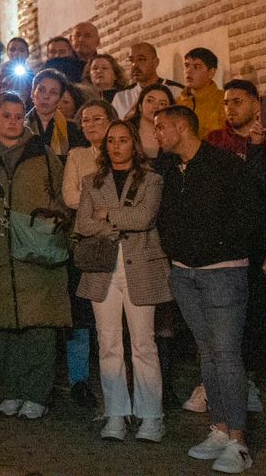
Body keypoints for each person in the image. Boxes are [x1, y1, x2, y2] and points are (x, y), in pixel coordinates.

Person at [155, 102, 262, 473]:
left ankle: (239, 440)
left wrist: (214, 248)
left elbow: (248, 216)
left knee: (226, 353)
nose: (157, 135)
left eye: (161, 127)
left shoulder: (225, 166)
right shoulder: (169, 168)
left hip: (222, 272)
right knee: (207, 351)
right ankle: (218, 427)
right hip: (185, 273)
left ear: (181, 128)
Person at [0, 92, 70, 419]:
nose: (12, 121)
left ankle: (37, 393)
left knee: (39, 324)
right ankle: (10, 390)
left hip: (34, 249)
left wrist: (53, 231)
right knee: (3, 325)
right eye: (6, 115)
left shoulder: (43, 153)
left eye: (17, 115)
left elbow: (61, 198)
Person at [74, 117, 168, 443]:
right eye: (111, 140)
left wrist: (106, 215)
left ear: (133, 144)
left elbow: (145, 218)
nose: (116, 146)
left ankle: (151, 416)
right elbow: (83, 224)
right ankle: (116, 413)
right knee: (108, 344)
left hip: (140, 269)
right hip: (103, 272)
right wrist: (114, 223)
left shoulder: (151, 180)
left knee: (144, 344)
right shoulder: (92, 181)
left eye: (123, 140)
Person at [180, 47, 226, 137]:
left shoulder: (223, 101)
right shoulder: (177, 103)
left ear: (211, 72)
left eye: (196, 67)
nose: (188, 71)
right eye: (186, 65)